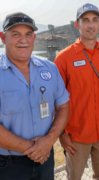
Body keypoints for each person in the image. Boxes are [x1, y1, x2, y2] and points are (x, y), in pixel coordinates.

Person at [54, 3, 99, 180]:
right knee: (74, 177)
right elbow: (56, 99)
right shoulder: (63, 58)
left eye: (94, 20)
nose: (90, 25)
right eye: (85, 20)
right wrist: (62, 134)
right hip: (76, 136)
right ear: (77, 24)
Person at [0, 12, 69, 180]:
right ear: (3, 37)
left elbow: (64, 106)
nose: (23, 40)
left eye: (28, 34)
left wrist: (48, 141)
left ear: (34, 37)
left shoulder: (50, 69)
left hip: (45, 160)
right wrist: (33, 148)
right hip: (8, 166)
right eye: (15, 34)